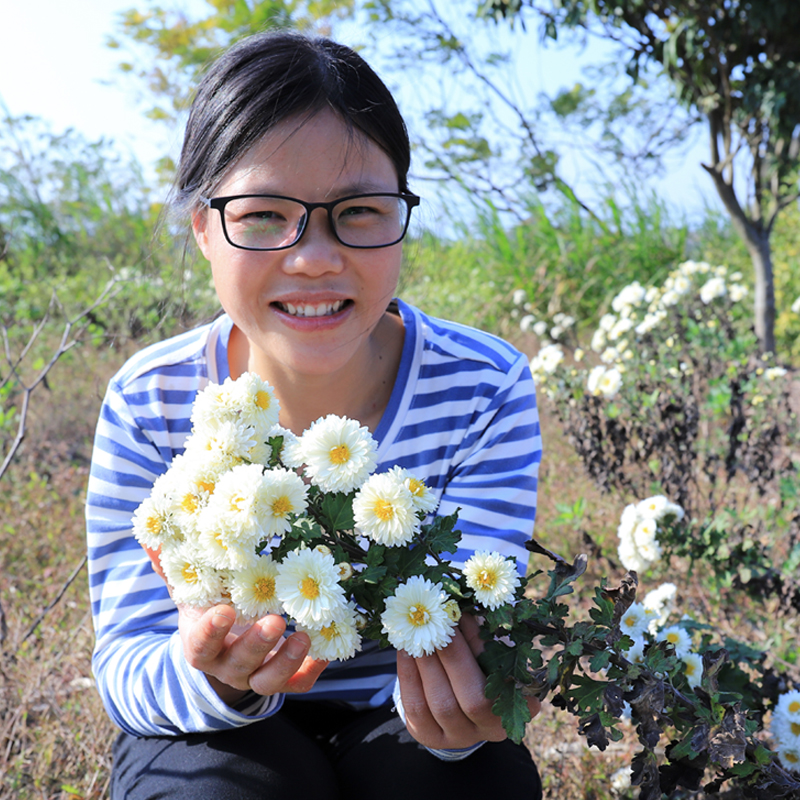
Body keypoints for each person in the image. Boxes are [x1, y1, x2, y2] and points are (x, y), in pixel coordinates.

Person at [86, 29, 544, 800]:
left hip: (400, 716)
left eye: (359, 211)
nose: (314, 257)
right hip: (216, 732)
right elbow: (127, 667)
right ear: (203, 227)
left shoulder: (483, 388)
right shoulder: (150, 400)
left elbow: (481, 606)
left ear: (403, 214)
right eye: (264, 214)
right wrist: (216, 679)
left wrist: (466, 707)